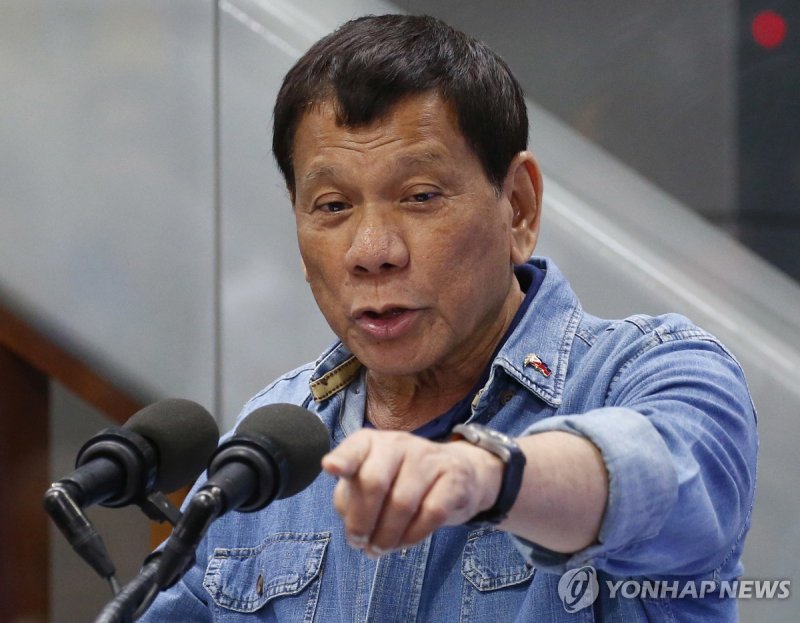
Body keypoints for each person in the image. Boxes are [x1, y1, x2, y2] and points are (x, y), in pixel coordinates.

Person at [140, 14, 757, 622]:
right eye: (332, 206)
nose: (372, 251)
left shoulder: (653, 371)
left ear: (517, 207)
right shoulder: (275, 439)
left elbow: (656, 476)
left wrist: (484, 474)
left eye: (420, 196)